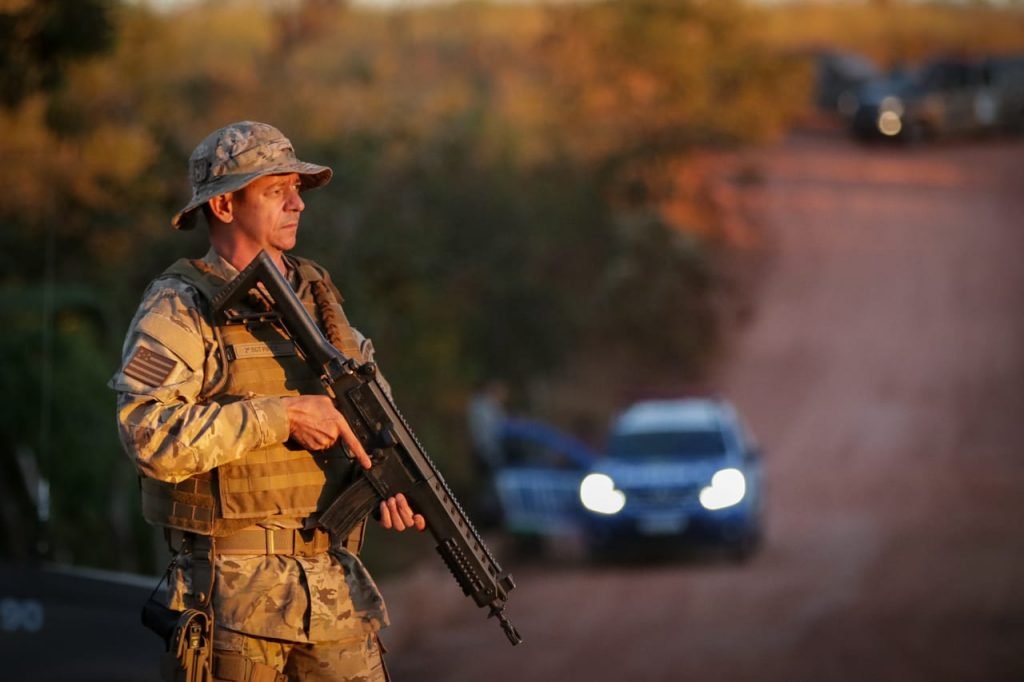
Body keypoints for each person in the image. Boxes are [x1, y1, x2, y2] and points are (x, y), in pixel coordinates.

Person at [110, 121, 425, 682]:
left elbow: (369, 409)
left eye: (296, 189)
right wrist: (280, 416)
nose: (297, 204)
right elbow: (148, 435)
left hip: (334, 594)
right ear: (225, 206)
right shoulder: (180, 306)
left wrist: (381, 482)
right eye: (275, 190)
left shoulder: (317, 295)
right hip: (232, 600)